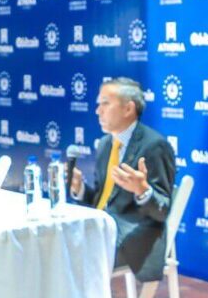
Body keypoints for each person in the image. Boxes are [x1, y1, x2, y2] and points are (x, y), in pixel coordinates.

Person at [70, 77, 176, 282]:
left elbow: (162, 211)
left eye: (105, 104)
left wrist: (143, 191)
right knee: (59, 244)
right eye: (98, 104)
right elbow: (102, 200)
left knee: (71, 255)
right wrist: (80, 188)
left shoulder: (154, 146)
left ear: (128, 109)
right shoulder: (105, 144)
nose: (98, 111)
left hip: (134, 238)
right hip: (101, 229)